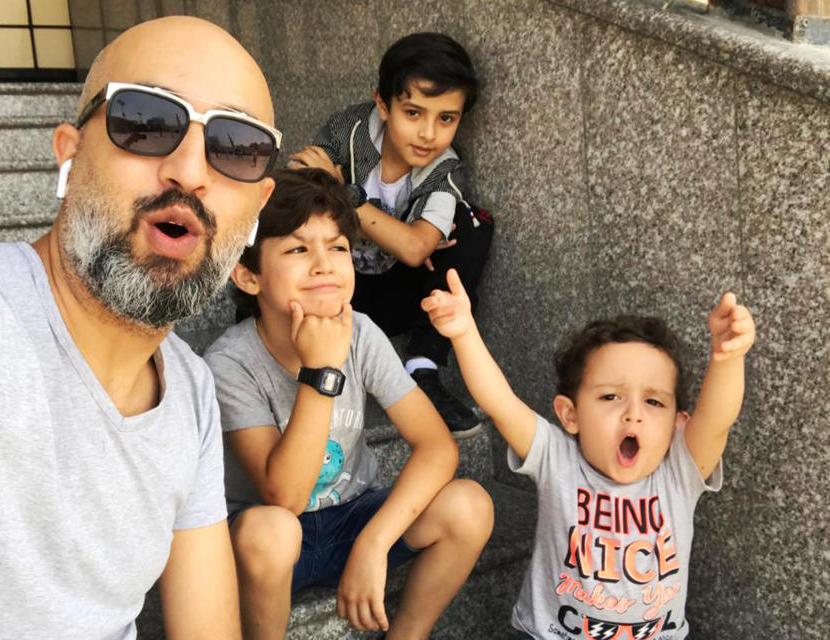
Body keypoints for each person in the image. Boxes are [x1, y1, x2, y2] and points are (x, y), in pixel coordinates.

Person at [0, 16, 280, 640]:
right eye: (145, 122)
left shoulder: (192, 392)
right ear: (70, 151)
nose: (190, 170)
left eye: (238, 148)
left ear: (256, 209)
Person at [204, 169, 494, 640]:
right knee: (271, 531)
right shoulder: (229, 362)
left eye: (337, 247)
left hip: (353, 518)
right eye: (298, 249)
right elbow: (286, 498)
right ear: (248, 275)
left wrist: (375, 542)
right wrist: (321, 373)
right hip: (268, 545)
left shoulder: (360, 331)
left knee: (471, 505)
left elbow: (438, 447)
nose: (323, 264)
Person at [422, 270, 755, 639]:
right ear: (571, 414)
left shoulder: (679, 473)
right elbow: (499, 402)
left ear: (678, 424)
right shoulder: (556, 459)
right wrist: (465, 333)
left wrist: (729, 358)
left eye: (654, 401)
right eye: (611, 396)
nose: (634, 413)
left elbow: (716, 421)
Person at [288, 32, 491, 438]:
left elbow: (416, 249)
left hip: (398, 295)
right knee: (285, 224)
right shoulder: (352, 130)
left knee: (473, 223)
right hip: (335, 286)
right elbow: (302, 179)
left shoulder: (444, 170)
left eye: (446, 119)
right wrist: (325, 190)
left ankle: (422, 367)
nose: (428, 133)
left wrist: (342, 195)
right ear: (383, 103)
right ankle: (284, 356)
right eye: (413, 113)